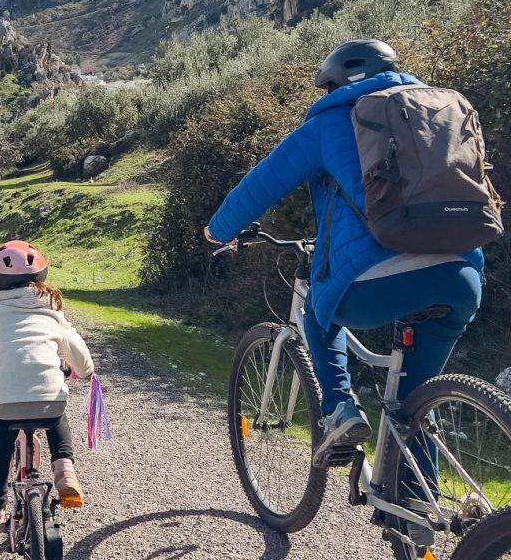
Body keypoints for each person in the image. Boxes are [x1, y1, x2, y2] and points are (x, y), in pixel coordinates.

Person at [205, 40, 485, 468]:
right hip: (462, 273)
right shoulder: (436, 112)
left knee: (320, 305)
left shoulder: (330, 122)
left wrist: (218, 230)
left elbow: (260, 184)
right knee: (414, 402)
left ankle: (339, 407)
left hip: (377, 279)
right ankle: (411, 512)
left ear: (336, 84)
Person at [0, 240, 94, 536]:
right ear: (41, 277)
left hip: (6, 405)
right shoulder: (51, 310)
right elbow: (76, 348)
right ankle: (65, 469)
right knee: (56, 417)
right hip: (49, 398)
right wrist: (85, 372)